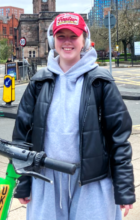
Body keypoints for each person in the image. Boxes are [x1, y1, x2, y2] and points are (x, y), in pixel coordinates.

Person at [12, 13, 135, 220]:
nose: (67, 42)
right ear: (53, 41)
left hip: (92, 181)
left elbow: (119, 138)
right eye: (61, 36)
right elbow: (22, 136)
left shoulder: (101, 82)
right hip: (46, 179)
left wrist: (124, 190)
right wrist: (23, 181)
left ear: (84, 40)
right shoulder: (38, 82)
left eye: (73, 36)